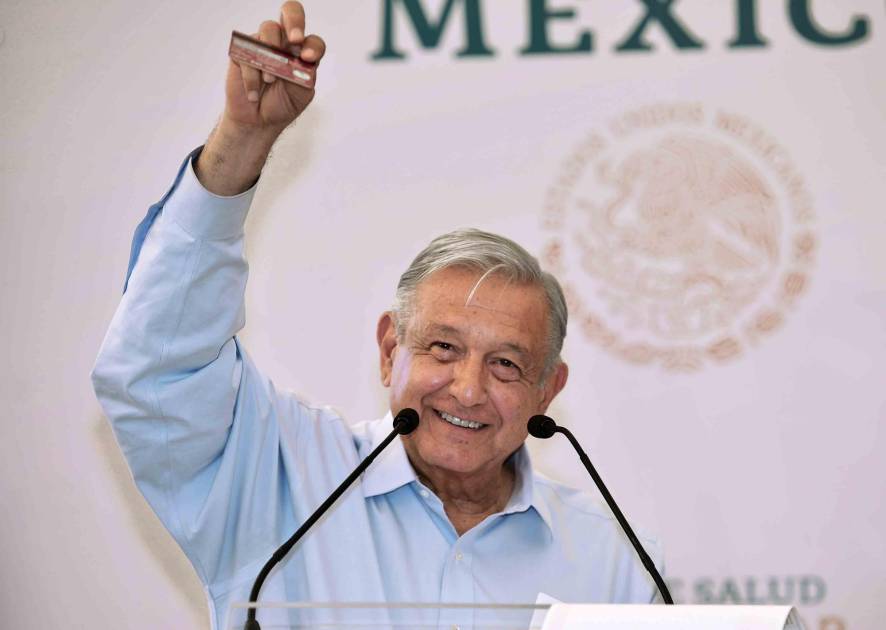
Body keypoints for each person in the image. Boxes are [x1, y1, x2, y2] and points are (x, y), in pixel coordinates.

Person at [92, 3, 663, 629]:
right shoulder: (279, 474)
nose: (467, 390)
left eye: (505, 364)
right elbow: (159, 367)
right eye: (443, 348)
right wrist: (242, 140)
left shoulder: (612, 561)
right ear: (391, 349)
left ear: (547, 389)